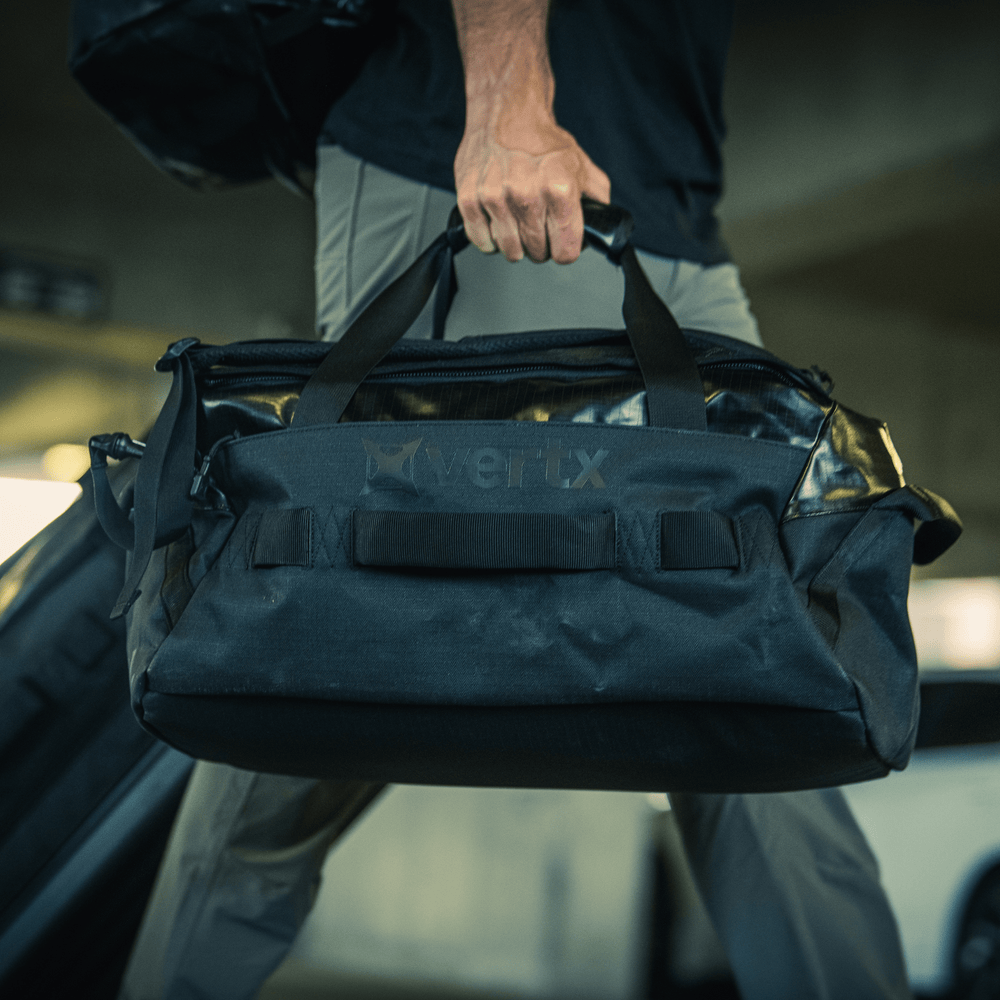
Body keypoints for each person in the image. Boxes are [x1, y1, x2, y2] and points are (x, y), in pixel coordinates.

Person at [118, 1, 914, 997]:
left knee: (757, 675)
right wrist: (506, 93)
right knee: (324, 653)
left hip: (670, 199)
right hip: (477, 155)